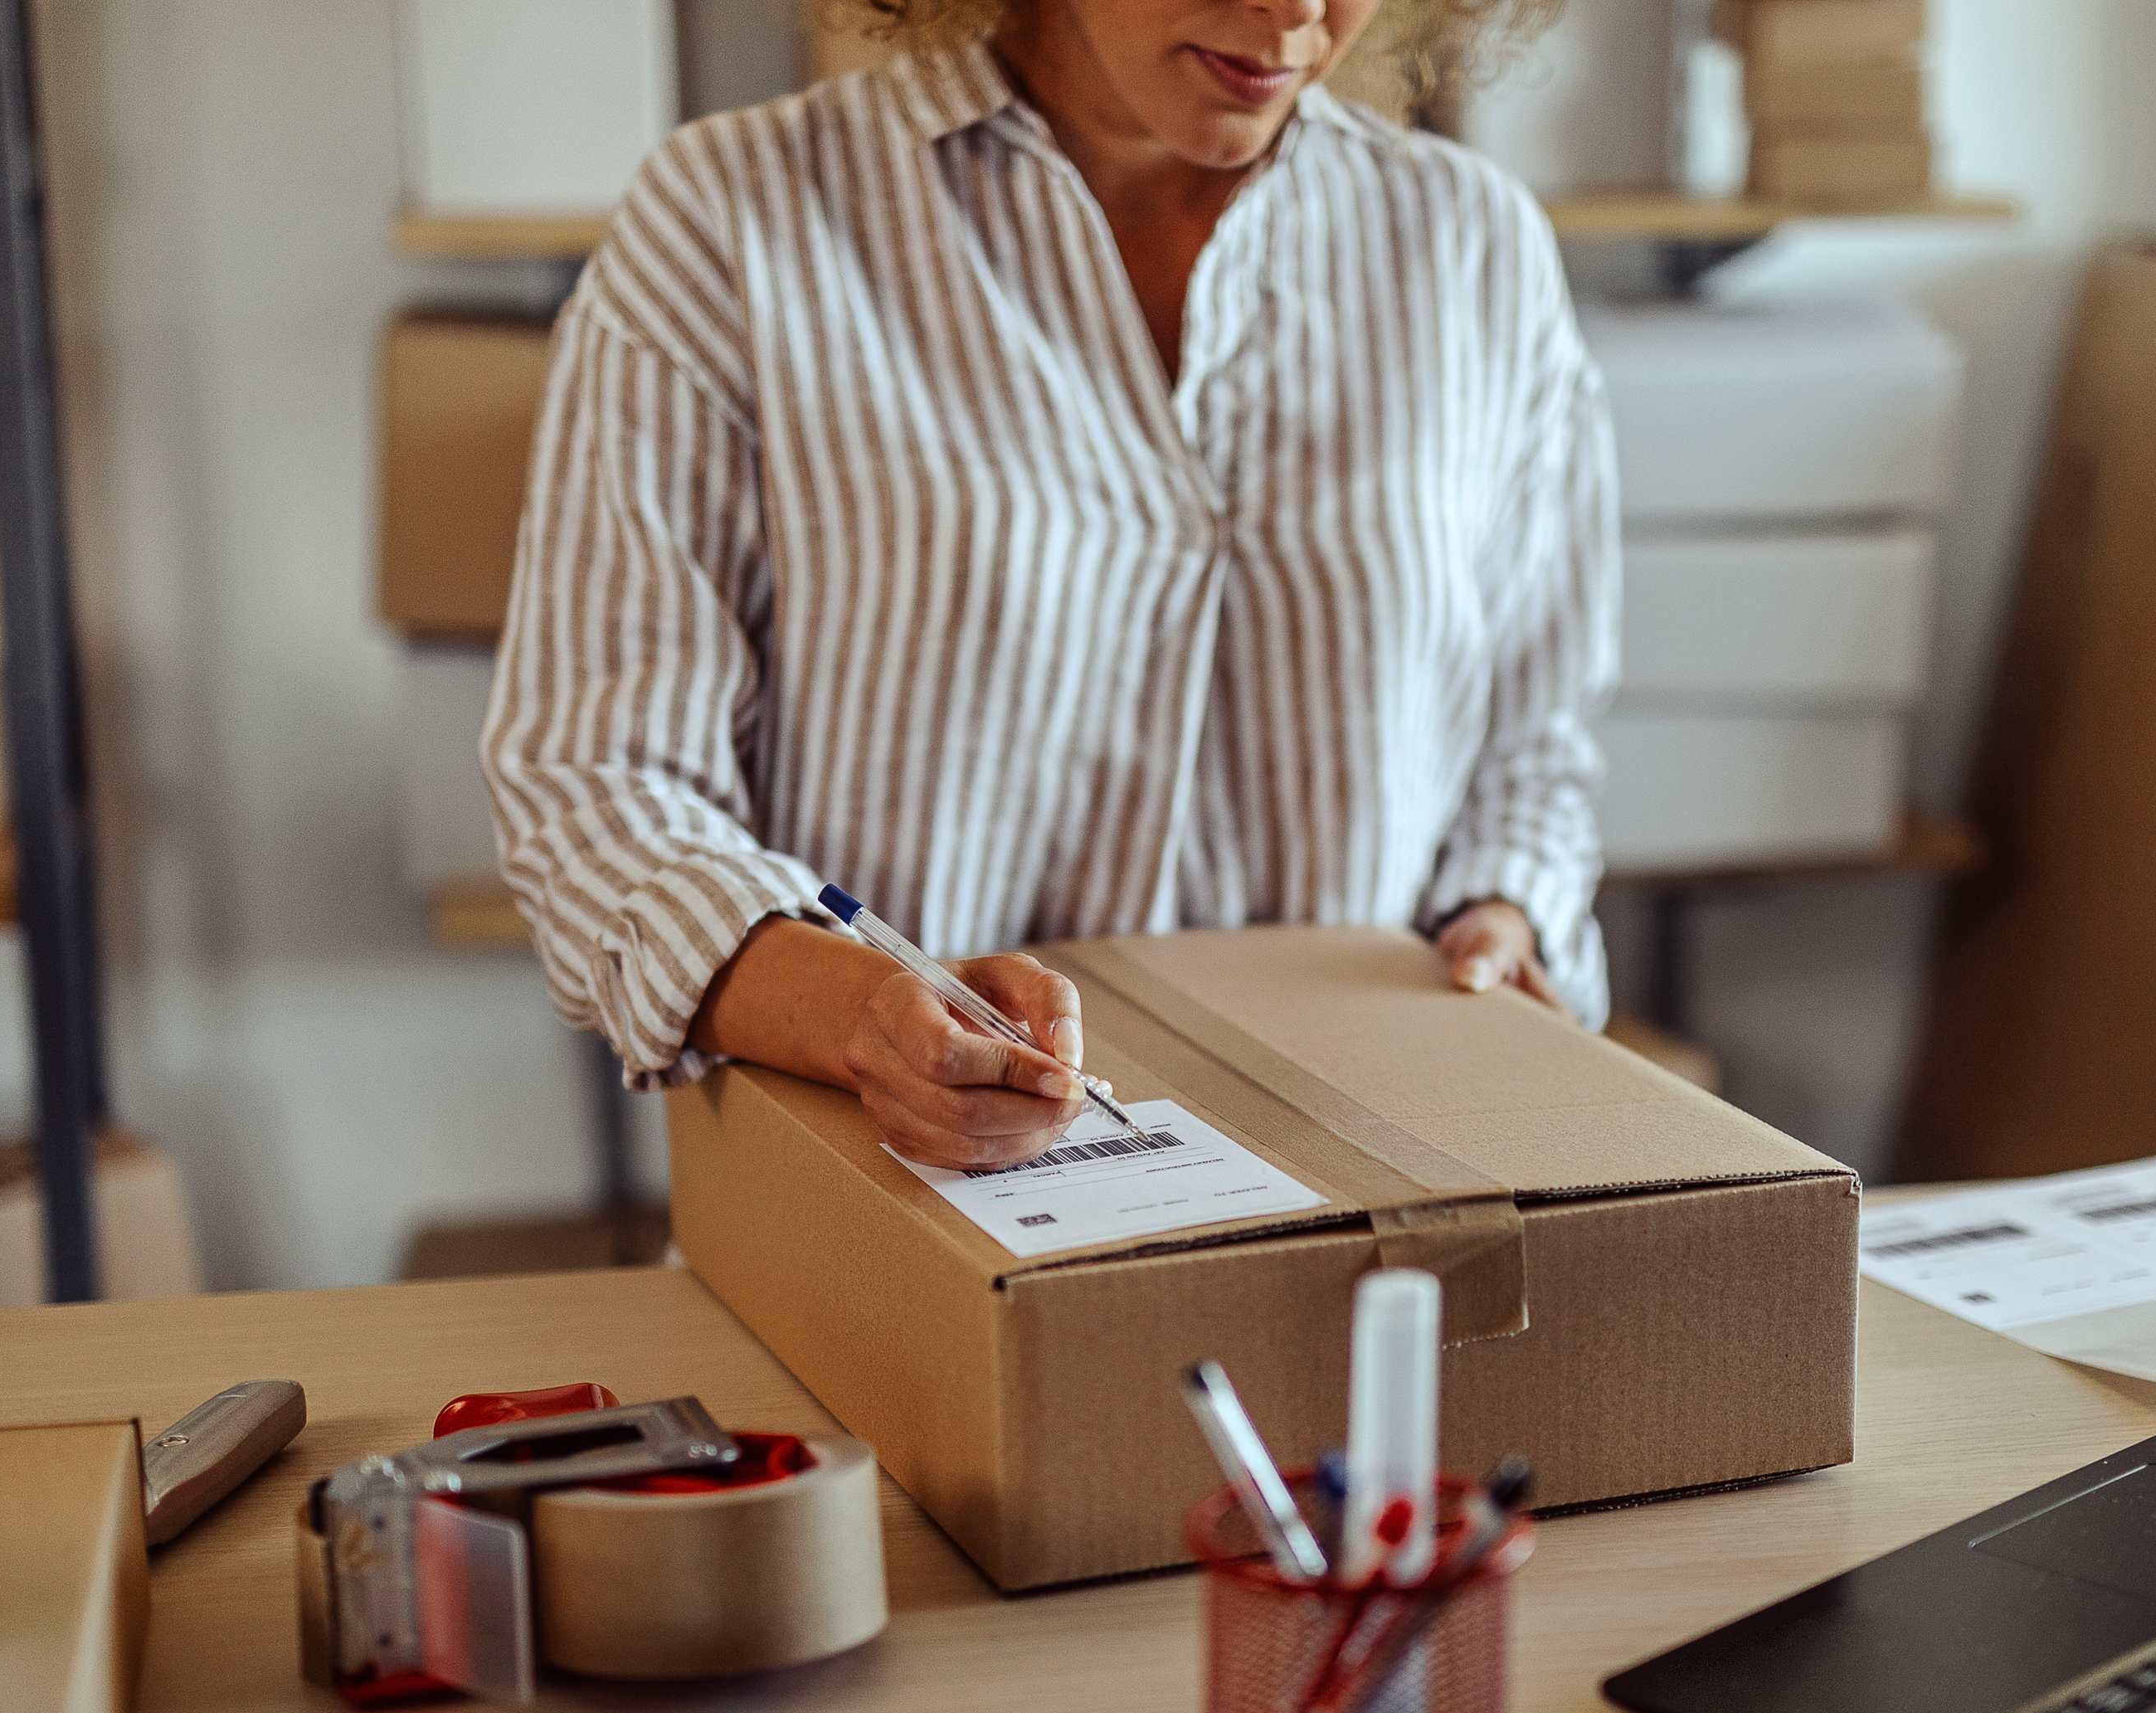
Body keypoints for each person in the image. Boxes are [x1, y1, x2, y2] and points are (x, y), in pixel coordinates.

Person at [483, 0, 1613, 1175]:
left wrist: (1507, 909)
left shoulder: (1476, 246)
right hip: (897, 1223)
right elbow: (600, 791)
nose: (1295, 12)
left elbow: (1535, 745)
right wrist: (860, 1015)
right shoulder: (738, 215)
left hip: (1360, 1202)